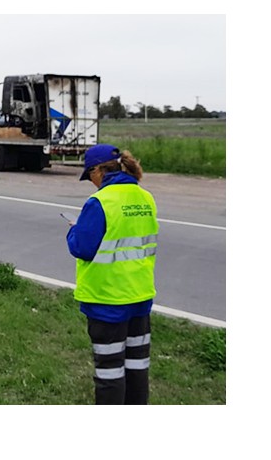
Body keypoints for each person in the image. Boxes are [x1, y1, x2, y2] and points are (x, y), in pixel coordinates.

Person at [66, 144, 158, 405]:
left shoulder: (100, 202)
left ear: (99, 171)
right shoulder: (145, 197)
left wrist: (74, 229)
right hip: (139, 298)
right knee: (137, 366)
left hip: (107, 301)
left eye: (90, 176)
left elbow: (82, 247)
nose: (91, 183)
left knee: (109, 371)